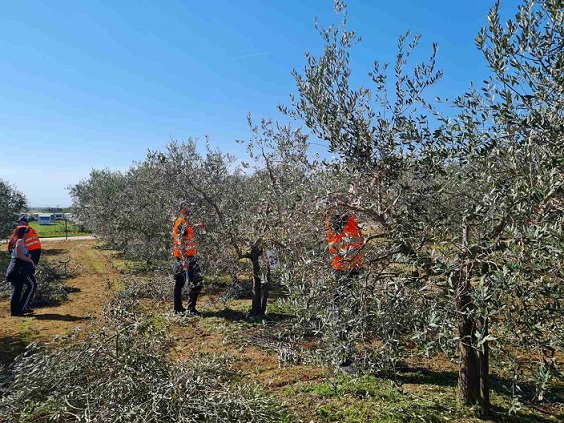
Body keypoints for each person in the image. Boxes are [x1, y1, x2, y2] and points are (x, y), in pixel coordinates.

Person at [325, 197, 365, 371]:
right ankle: (342, 360)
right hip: (342, 270)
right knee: (342, 313)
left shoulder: (351, 218)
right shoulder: (335, 217)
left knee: (352, 312)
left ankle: (347, 355)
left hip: (353, 268)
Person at [172, 201, 205, 315]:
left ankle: (186, 308)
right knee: (184, 282)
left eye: (190, 208)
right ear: (181, 209)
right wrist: (184, 259)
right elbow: (180, 241)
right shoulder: (181, 222)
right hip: (184, 258)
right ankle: (181, 309)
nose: (189, 211)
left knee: (193, 281)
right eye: (187, 209)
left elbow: (187, 230)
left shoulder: (185, 222)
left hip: (189, 257)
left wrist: (197, 226)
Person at [5, 226, 37, 316]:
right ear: (23, 233)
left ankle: (17, 310)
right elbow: (19, 255)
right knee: (32, 285)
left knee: (18, 289)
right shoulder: (20, 241)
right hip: (19, 268)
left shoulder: (16, 241)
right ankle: (22, 308)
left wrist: (28, 255)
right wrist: (30, 260)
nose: (28, 235)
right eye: (27, 233)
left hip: (15, 268)